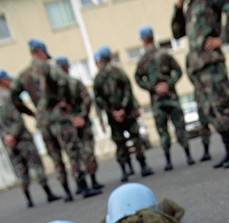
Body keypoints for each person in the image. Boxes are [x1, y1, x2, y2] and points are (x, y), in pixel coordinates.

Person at [11, 40, 99, 200]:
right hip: (59, 117)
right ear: (41, 52)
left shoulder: (24, 75)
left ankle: (67, 192)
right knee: (72, 152)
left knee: (55, 157)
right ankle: (83, 187)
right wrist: (62, 100)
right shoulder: (49, 67)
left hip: (43, 122)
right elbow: (64, 81)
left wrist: (31, 112)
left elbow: (14, 95)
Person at [171, 0, 229, 169]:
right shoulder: (189, 7)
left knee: (222, 105)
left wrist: (223, 38)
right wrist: (178, 7)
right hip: (197, 67)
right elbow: (177, 33)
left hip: (212, 64)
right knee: (210, 111)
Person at [135, 26, 195, 171]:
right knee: (179, 127)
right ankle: (188, 156)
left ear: (143, 40)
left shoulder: (144, 59)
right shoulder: (164, 54)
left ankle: (169, 161)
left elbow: (138, 78)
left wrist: (153, 87)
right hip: (171, 97)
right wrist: (168, 84)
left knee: (163, 131)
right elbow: (178, 71)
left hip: (158, 101)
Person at [0, 70, 60, 208]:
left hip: (8, 142)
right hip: (22, 138)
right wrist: (13, 135)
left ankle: (29, 199)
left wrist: (6, 137)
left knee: (20, 169)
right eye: (8, 80)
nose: (11, 83)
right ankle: (48, 193)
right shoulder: (9, 97)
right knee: (36, 165)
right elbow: (18, 119)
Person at [93, 46, 154, 182]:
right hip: (126, 113)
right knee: (134, 139)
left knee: (120, 142)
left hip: (116, 116)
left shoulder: (98, 78)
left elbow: (98, 100)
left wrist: (112, 112)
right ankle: (142, 166)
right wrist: (123, 109)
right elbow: (128, 91)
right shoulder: (118, 72)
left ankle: (126, 170)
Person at [55, 57, 103, 193]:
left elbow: (52, 109)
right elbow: (87, 99)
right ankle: (91, 182)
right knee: (87, 151)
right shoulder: (74, 83)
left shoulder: (53, 89)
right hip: (79, 124)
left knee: (73, 155)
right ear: (67, 67)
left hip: (66, 126)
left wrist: (71, 118)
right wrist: (81, 116)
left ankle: (81, 184)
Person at [186, 55, 212, 161]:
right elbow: (189, 73)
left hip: (215, 90)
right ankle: (206, 151)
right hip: (201, 94)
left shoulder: (209, 49)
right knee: (204, 123)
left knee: (223, 119)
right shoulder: (190, 56)